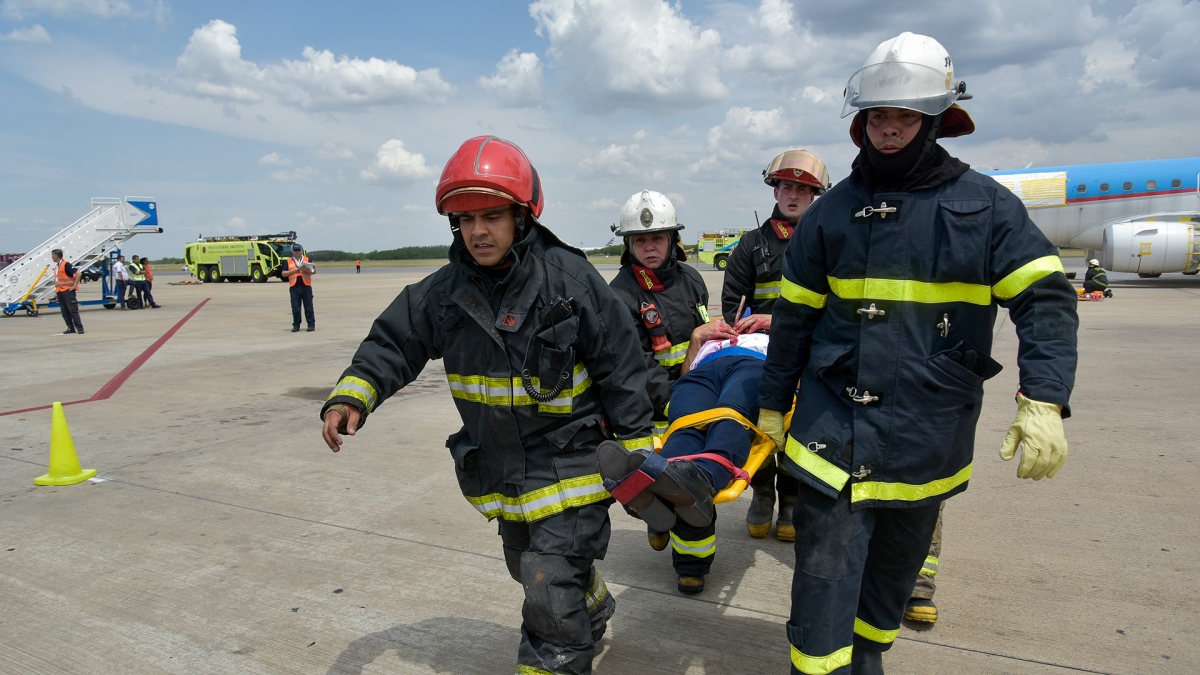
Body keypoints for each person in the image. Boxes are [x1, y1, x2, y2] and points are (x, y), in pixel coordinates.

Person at [756, 33, 1079, 674]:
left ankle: (868, 660)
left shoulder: (986, 208)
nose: (889, 130)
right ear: (860, 123)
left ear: (935, 119)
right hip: (830, 435)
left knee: (887, 593)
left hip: (926, 433)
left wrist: (1044, 396)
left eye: (904, 117)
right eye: (878, 116)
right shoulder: (830, 215)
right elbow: (793, 321)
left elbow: (1045, 302)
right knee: (822, 589)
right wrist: (771, 404)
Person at [320, 135, 655, 675]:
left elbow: (621, 364)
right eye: (465, 218)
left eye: (492, 216)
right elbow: (392, 343)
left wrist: (639, 456)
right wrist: (354, 395)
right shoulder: (444, 293)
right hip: (503, 470)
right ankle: (589, 604)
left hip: (573, 464)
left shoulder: (570, 279)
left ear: (522, 215)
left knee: (547, 585)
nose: (478, 231)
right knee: (531, 569)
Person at [721, 149, 829, 542]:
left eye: (803, 188)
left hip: (813, 355)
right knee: (758, 428)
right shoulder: (750, 246)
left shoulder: (828, 242)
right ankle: (763, 492)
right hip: (760, 357)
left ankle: (792, 499)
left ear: (816, 195)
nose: (794, 194)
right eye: (787, 185)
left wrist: (776, 319)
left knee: (800, 430)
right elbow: (734, 310)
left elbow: (838, 307)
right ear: (775, 191)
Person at [607, 189, 713, 592]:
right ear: (628, 245)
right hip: (650, 410)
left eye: (657, 239)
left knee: (692, 484)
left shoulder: (692, 280)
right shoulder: (619, 296)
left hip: (694, 398)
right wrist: (679, 396)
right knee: (649, 483)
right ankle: (657, 516)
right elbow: (635, 367)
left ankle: (692, 566)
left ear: (672, 241)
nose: (649, 247)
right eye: (640, 241)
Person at [282, 244, 315, 332]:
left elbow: (313, 271)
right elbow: (284, 273)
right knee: (295, 307)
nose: (297, 252)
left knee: (308, 307)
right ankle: (296, 325)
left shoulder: (307, 260)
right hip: (294, 287)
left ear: (301, 251)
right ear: (292, 251)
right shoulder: (288, 261)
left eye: (298, 250)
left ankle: (311, 324)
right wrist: (294, 271)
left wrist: (305, 270)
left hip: (306, 287)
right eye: (295, 251)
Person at [51, 248, 84, 334]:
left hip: (68, 291)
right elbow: (58, 280)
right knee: (64, 312)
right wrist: (56, 292)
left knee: (72, 310)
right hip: (60, 291)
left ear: (56, 256)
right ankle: (70, 328)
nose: (52, 257)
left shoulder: (66, 264)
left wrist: (74, 286)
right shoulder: (57, 267)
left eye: (53, 255)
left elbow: (78, 273)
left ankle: (79, 328)